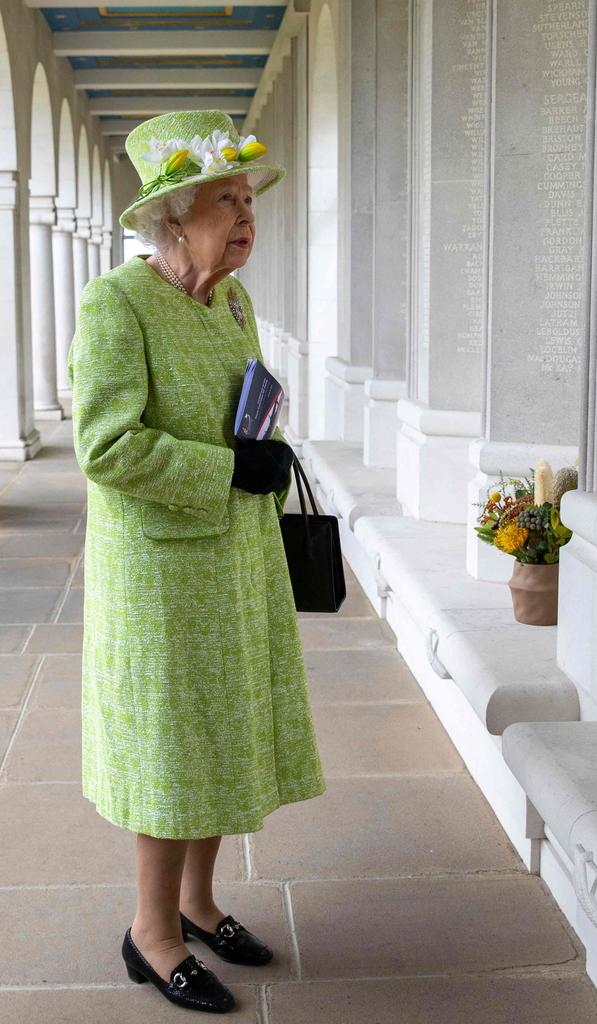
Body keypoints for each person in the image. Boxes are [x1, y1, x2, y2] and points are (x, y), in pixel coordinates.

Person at [67, 110, 327, 1014]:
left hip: (238, 557)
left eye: (250, 198)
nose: (248, 215)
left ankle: (200, 904)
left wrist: (265, 450)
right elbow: (104, 447)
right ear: (174, 217)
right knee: (171, 749)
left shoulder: (232, 300)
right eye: (228, 199)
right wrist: (228, 468)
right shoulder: (116, 304)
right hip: (164, 574)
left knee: (222, 732)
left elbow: (241, 407)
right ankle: (151, 932)